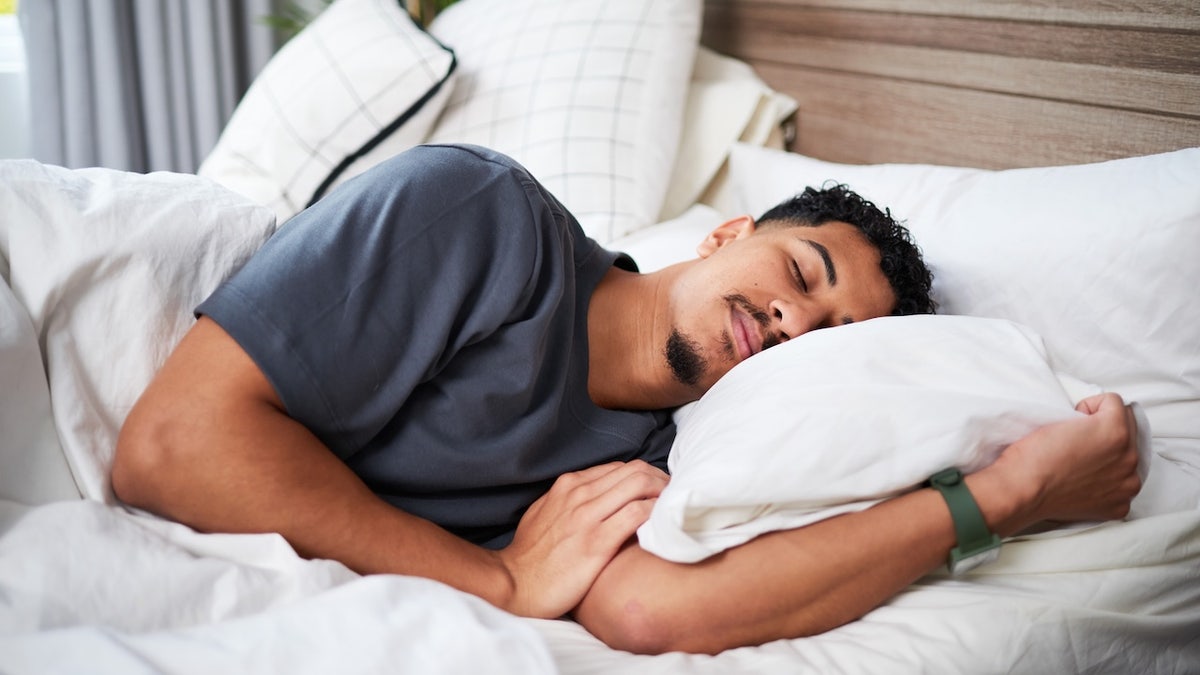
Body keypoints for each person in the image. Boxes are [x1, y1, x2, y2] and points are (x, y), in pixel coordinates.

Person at [112, 144, 1141, 655]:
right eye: (805, 273)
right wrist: (499, 582)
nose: (793, 322)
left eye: (830, 342)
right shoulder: (481, 216)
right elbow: (168, 445)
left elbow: (650, 608)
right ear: (729, 233)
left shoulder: (671, 451)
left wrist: (1002, 500)